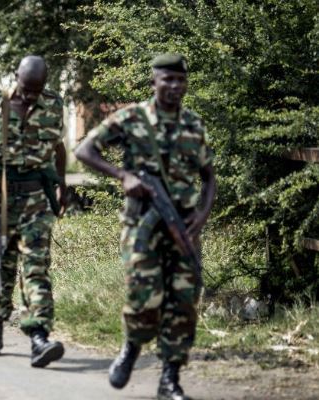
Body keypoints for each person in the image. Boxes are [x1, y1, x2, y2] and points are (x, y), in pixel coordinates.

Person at [74, 53, 216, 400]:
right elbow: (84, 149)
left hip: (183, 225)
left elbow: (209, 176)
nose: (174, 86)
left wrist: (202, 212)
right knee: (144, 297)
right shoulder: (132, 118)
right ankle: (132, 349)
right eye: (167, 80)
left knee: (183, 301)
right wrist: (123, 175)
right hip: (142, 225)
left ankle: (170, 378)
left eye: (180, 80)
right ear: (154, 82)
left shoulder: (194, 125)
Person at [0, 55, 68, 368]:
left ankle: (39, 336)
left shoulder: (53, 104)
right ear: (16, 77)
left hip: (36, 198)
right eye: (27, 89)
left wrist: (61, 184)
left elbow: (58, 147)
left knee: (36, 266)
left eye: (37, 90)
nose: (30, 96)